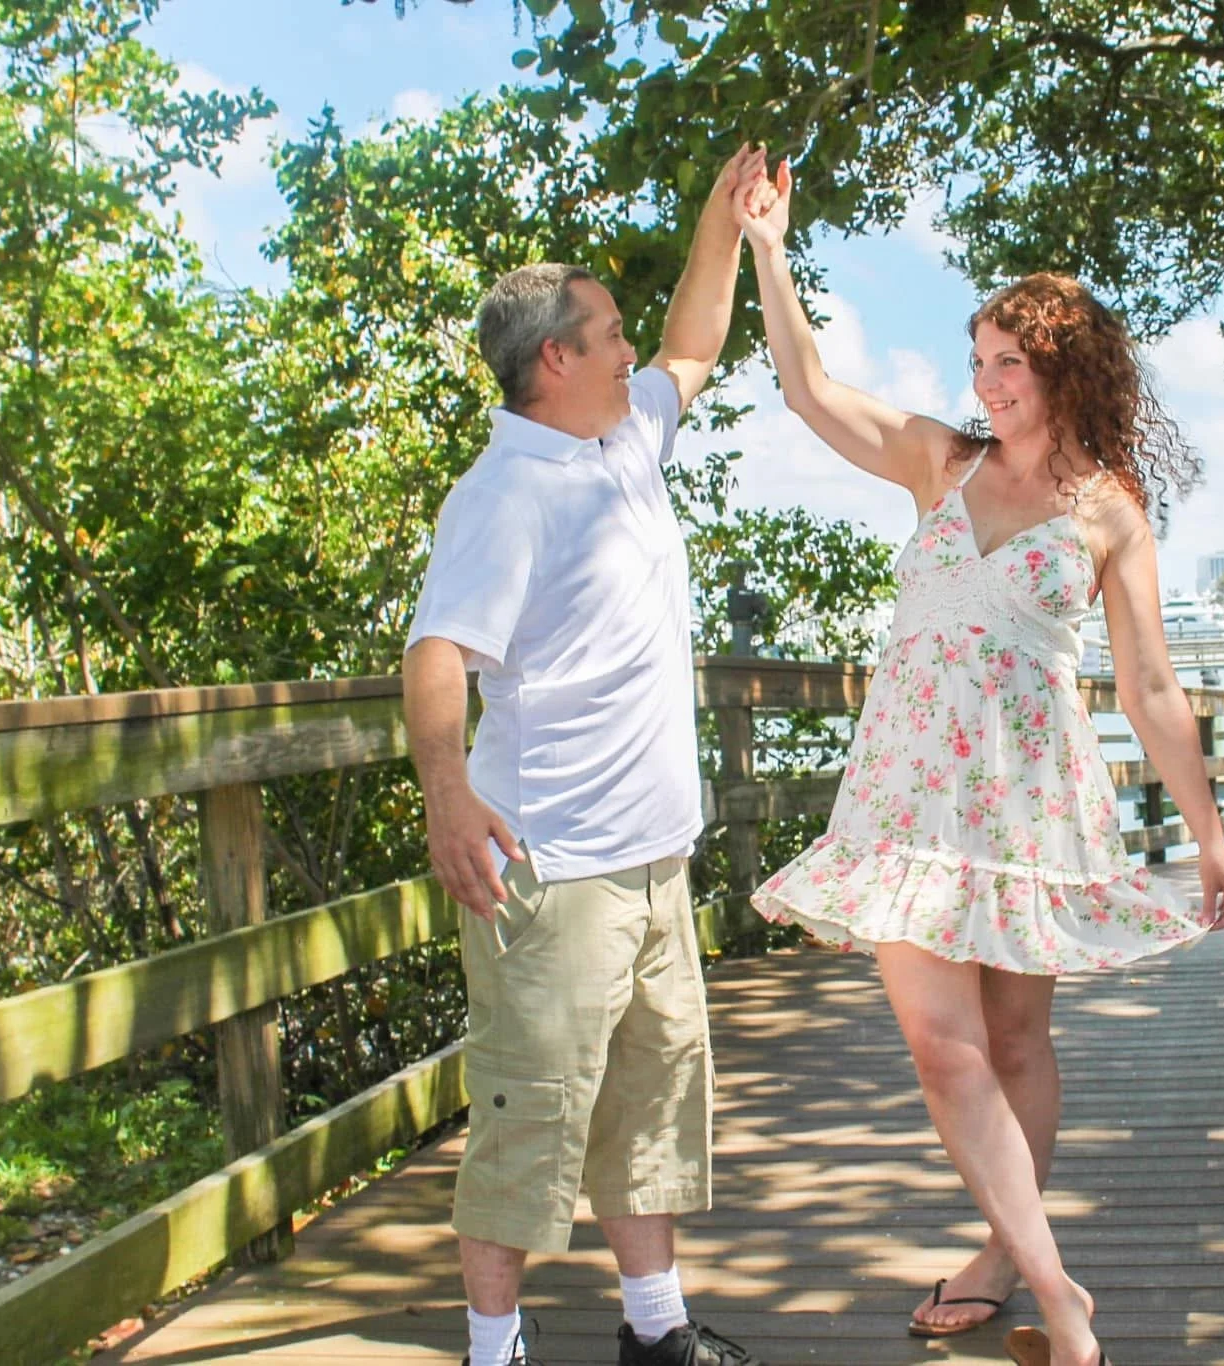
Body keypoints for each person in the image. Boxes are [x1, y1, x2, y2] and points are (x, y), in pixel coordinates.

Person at [733, 158, 1224, 1366]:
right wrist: (770, 248)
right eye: (976, 364)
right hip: (907, 796)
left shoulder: (1110, 506)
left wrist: (1210, 832)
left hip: (1029, 804)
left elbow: (1150, 687)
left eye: (1005, 363)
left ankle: (995, 1252)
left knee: (1016, 1045)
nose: (985, 383)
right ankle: (1061, 1295)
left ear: (1064, 366)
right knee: (942, 1044)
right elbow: (808, 390)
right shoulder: (939, 462)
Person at [402, 147, 770, 1366]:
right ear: (551, 358)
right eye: (604, 333)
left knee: (649, 1107)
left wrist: (723, 222)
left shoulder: (620, 447)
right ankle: (493, 1350)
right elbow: (438, 654)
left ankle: (654, 1335)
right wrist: (448, 794)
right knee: (528, 1120)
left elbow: (696, 346)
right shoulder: (505, 493)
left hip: (653, 861)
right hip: (549, 870)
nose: (628, 350)